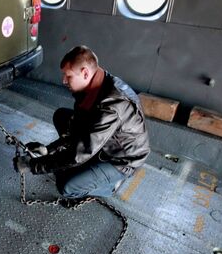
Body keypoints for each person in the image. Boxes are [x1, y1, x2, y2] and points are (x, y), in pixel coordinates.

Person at [14, 45, 150, 199]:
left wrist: (33, 165)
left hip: (121, 160)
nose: (64, 80)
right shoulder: (94, 85)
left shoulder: (111, 106)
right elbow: (77, 128)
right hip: (104, 142)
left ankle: (110, 187)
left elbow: (81, 152)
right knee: (61, 116)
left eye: (68, 76)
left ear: (85, 73)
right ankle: (88, 169)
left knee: (66, 186)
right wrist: (48, 150)